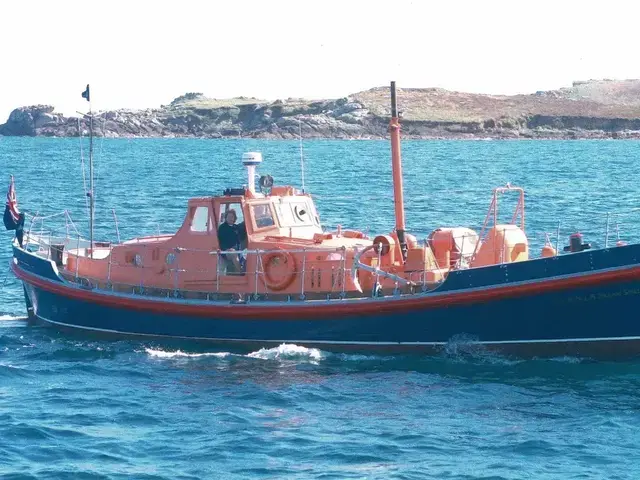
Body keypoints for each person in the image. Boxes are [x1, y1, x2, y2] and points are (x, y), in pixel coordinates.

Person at [217, 209, 246, 274]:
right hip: (226, 251)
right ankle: (241, 272)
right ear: (226, 218)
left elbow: (243, 229)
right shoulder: (222, 228)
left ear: (234, 218)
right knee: (233, 253)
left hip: (237, 249)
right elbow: (220, 241)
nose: (230, 218)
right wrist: (226, 249)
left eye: (232, 217)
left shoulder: (236, 227)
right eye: (229, 217)